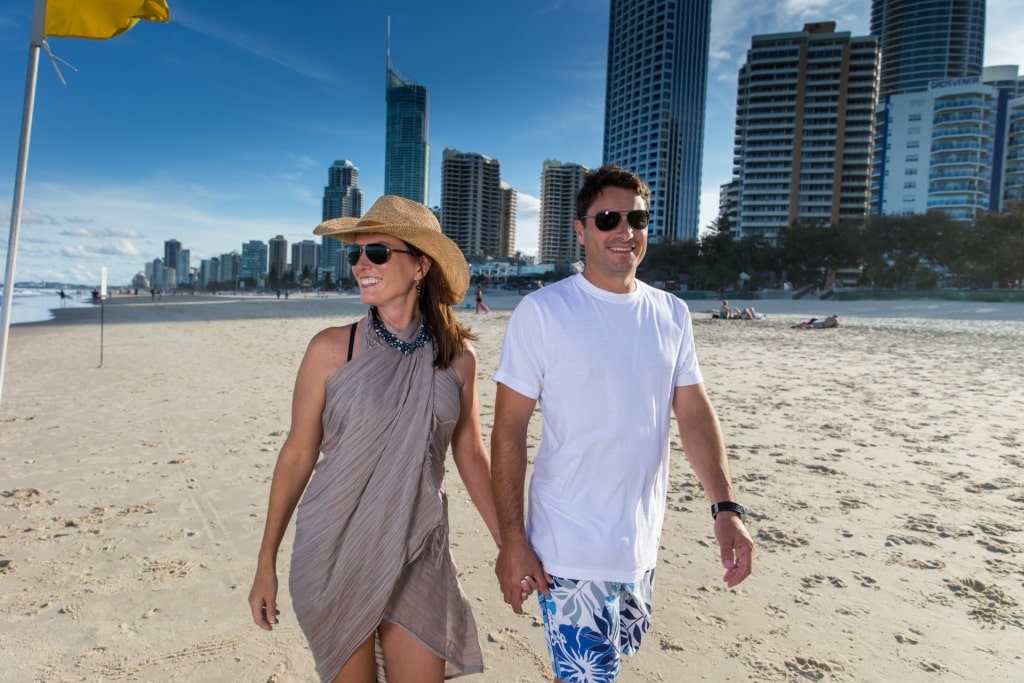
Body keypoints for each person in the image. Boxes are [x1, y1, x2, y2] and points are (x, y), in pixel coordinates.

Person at [490, 165, 755, 683]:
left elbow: (695, 413)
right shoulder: (542, 312)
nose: (624, 230)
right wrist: (512, 539)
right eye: (608, 218)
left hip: (638, 546)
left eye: (636, 218)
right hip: (567, 547)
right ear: (581, 229)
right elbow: (509, 430)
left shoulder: (672, 313)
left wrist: (725, 507)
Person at [248, 195, 503, 683]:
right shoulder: (330, 349)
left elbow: (470, 453)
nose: (361, 264)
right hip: (334, 547)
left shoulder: (458, 358)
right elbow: (297, 456)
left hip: (418, 545)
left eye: (378, 253)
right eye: (356, 254)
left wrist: (509, 543)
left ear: (420, 266)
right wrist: (266, 563)